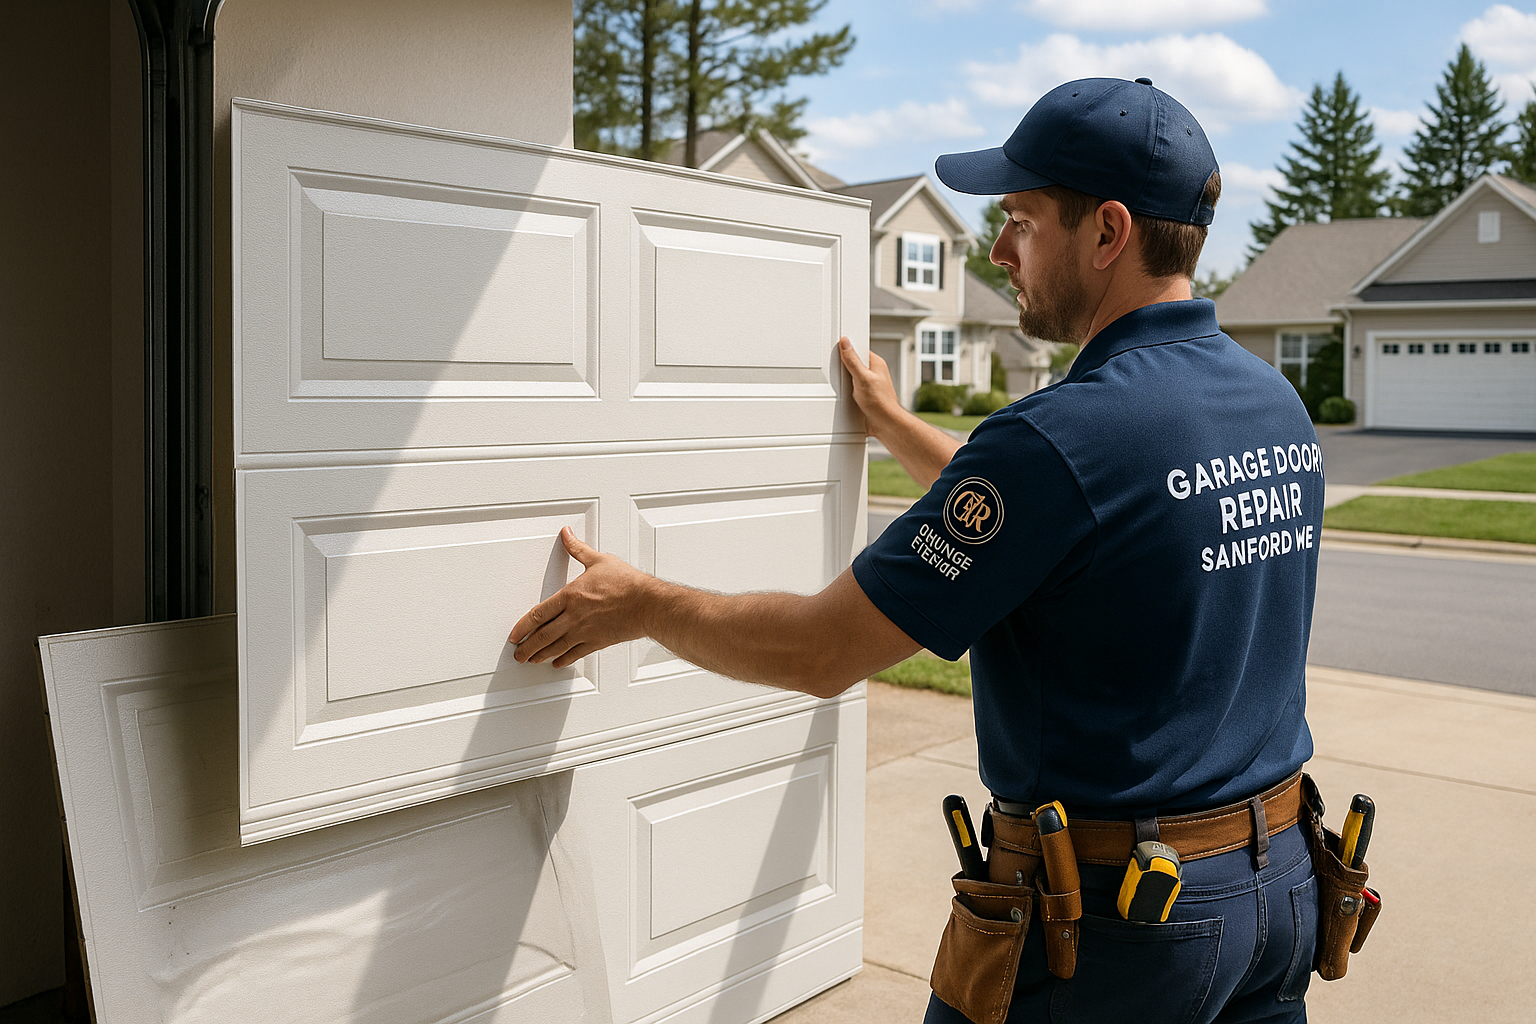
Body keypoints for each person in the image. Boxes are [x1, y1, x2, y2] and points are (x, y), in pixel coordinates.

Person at [509, 77, 1325, 1024]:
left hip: (1118, 933)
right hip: (1276, 897)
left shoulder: (1062, 439)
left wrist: (642, 603)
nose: (1000, 248)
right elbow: (1072, 523)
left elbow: (822, 650)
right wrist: (898, 426)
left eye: (1021, 218)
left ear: (1108, 232)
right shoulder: (1270, 405)